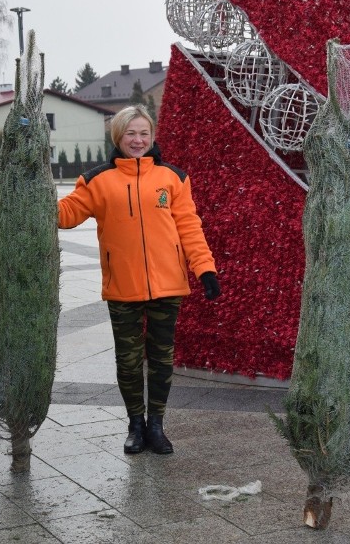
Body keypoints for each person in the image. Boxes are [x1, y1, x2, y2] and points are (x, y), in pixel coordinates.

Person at [58, 104, 221, 455]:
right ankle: (135, 424)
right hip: (123, 286)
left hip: (168, 285)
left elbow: (190, 227)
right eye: (131, 133)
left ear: (152, 136)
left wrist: (204, 269)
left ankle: (157, 425)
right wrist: (36, 193)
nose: (138, 140)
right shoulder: (97, 180)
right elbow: (67, 214)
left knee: (161, 359)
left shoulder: (173, 178)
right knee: (129, 362)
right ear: (119, 136)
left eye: (144, 133)